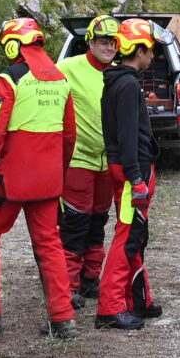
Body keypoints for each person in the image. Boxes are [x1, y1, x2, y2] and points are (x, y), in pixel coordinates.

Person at [0, 17, 79, 337]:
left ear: (13, 45)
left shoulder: (9, 80)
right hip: (48, 180)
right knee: (49, 245)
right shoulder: (60, 79)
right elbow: (69, 136)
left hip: (11, 181)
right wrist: (58, 176)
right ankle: (63, 319)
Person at [96, 17, 165, 330]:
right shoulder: (126, 86)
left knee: (136, 235)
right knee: (127, 237)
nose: (153, 57)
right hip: (132, 170)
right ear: (139, 50)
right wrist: (137, 179)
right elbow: (127, 137)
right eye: (151, 51)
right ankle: (110, 309)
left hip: (127, 167)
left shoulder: (117, 82)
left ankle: (139, 300)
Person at [57, 16, 120, 307]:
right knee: (74, 224)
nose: (109, 47)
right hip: (78, 161)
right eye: (104, 41)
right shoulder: (68, 68)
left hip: (107, 164)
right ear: (91, 42)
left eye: (114, 42)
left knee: (98, 222)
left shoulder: (119, 73)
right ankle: (66, 286)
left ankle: (90, 279)